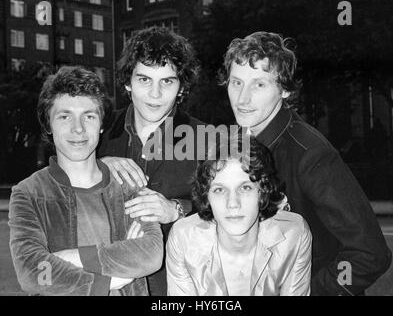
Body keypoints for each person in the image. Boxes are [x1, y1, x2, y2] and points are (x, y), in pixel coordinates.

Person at [222, 31, 392, 295]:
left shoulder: (310, 154)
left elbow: (370, 253)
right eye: (236, 83)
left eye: (259, 85)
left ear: (285, 90)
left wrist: (309, 292)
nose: (242, 99)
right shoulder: (236, 143)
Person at [8, 66, 163, 296]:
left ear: (101, 124)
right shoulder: (28, 193)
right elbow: (33, 273)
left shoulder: (130, 184)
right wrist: (105, 283)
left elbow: (151, 254)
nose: (78, 128)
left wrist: (72, 258)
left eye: (89, 116)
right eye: (64, 116)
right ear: (48, 124)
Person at [98, 26, 205, 295]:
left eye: (167, 81)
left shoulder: (207, 140)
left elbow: (230, 212)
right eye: (144, 80)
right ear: (127, 82)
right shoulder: (95, 132)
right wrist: (96, 166)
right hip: (103, 281)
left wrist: (176, 210)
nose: (155, 94)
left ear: (182, 87)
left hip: (171, 290)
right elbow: (55, 179)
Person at [166, 134, 312, 295]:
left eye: (245, 188)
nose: (233, 203)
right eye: (219, 190)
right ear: (207, 196)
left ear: (262, 192)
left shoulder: (293, 234)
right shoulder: (184, 238)